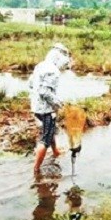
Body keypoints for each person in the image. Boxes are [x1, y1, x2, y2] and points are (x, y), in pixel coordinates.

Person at [29, 43, 72, 173]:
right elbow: (45, 92)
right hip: (46, 110)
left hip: (36, 106)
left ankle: (56, 151)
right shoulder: (53, 71)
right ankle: (36, 169)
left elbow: (31, 83)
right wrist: (58, 103)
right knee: (45, 139)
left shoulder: (41, 65)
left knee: (50, 130)